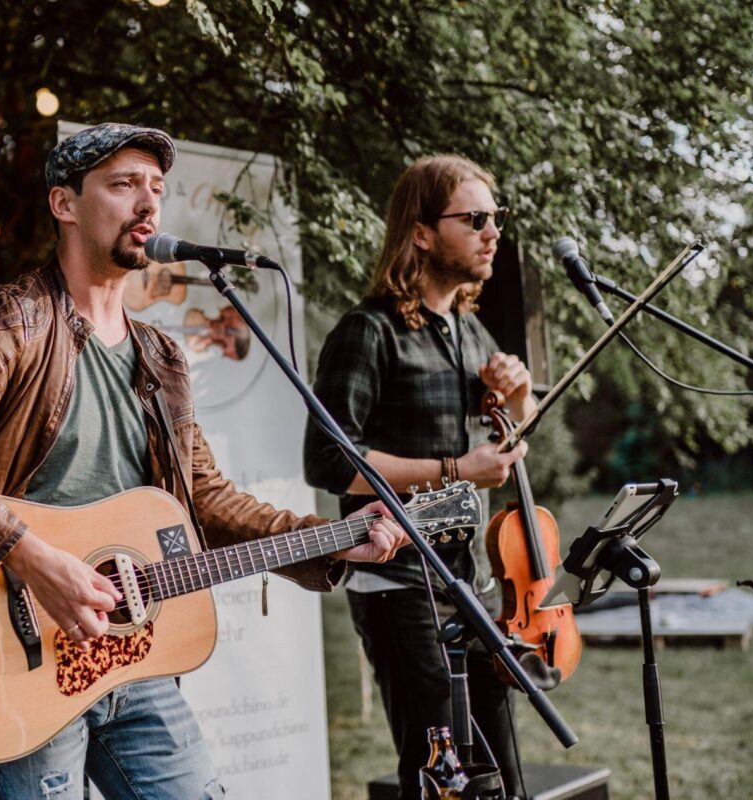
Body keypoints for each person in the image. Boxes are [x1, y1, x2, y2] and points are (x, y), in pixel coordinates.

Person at [0, 122, 409, 800]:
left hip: (134, 660)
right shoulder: (21, 323)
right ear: (65, 204)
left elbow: (207, 502)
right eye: (123, 185)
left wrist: (335, 540)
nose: (148, 204)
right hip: (20, 652)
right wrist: (31, 555)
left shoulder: (161, 357)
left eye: (156, 188)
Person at [303, 154, 536, 799]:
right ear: (423, 232)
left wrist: (516, 397)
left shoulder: (466, 327)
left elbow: (515, 435)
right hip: (399, 582)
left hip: (473, 582)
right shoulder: (367, 331)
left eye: (497, 218)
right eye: (476, 218)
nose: (493, 232)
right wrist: (458, 470)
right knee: (440, 777)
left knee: (501, 774)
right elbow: (329, 460)